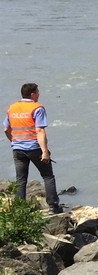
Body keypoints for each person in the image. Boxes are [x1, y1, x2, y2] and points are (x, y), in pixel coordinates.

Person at [4, 83, 62, 214]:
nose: (39, 94)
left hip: (18, 148)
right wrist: (45, 152)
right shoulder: (37, 108)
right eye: (38, 92)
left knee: (21, 179)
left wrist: (14, 141)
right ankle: (53, 206)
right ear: (32, 94)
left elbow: (6, 129)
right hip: (34, 147)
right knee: (48, 176)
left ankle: (19, 209)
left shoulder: (12, 108)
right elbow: (40, 130)